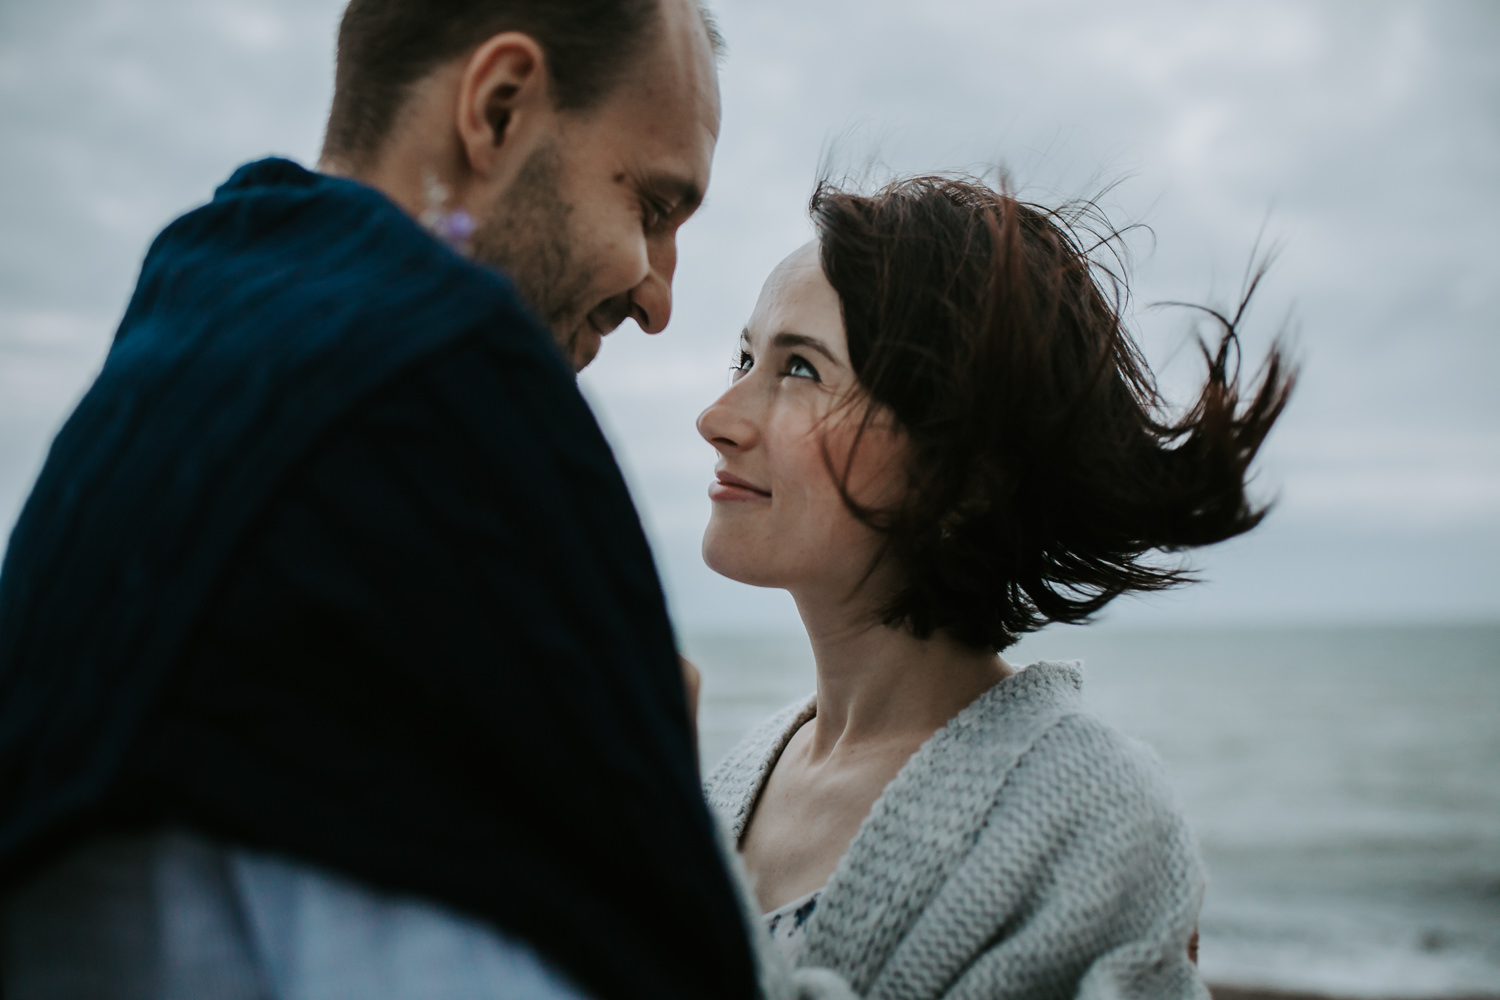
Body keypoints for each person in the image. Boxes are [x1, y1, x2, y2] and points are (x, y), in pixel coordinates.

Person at [0, 2, 779, 998]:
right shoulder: (438, 405)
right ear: (497, 110)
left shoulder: (173, 381)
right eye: (654, 211)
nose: (658, 297)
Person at [700, 175, 1295, 999]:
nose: (718, 414)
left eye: (800, 368)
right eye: (744, 356)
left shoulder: (1094, 816)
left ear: (965, 476)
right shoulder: (737, 774)